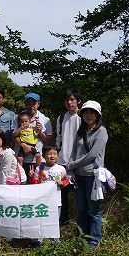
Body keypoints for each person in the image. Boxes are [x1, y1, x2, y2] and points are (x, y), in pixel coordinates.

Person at [66, 100, 108, 249]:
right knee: (82, 209)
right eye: (86, 112)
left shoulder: (101, 132)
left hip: (92, 176)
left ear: (97, 115)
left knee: (93, 210)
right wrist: (71, 170)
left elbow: (92, 155)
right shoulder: (81, 131)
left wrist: (72, 165)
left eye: (92, 112)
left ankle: (95, 240)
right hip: (79, 177)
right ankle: (82, 237)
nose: (88, 115)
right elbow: (74, 152)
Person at [55, 88, 82, 226]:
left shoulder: (83, 117)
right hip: (63, 163)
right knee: (61, 195)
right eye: (67, 100)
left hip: (79, 162)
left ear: (78, 101)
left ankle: (81, 224)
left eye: (72, 100)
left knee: (79, 195)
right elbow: (58, 139)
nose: (69, 102)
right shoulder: (61, 118)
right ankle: (63, 222)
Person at [13, 92, 52, 177]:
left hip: (38, 159)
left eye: (34, 104)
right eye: (28, 104)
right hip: (20, 158)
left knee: (38, 184)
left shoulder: (45, 120)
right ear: (25, 104)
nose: (31, 106)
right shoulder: (17, 118)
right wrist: (23, 145)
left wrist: (40, 131)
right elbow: (13, 136)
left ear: (38, 104)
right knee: (21, 183)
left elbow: (48, 140)